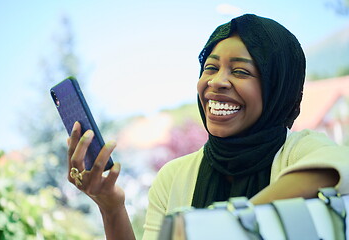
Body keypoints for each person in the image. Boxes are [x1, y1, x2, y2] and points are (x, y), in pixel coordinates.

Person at [66, 14, 349, 240]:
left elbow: (337, 169)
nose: (216, 82)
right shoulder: (174, 177)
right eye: (210, 68)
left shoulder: (300, 152)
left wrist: (218, 228)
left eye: (240, 71)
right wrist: (111, 206)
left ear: (277, 88)